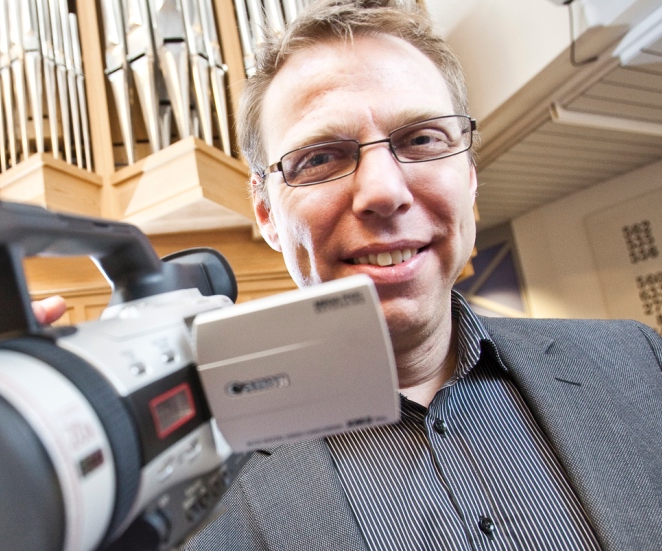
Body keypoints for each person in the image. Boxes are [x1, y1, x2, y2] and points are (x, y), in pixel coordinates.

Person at [182, 1, 662, 550]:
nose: (385, 191)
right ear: (267, 214)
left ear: (470, 175)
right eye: (319, 158)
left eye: (421, 139)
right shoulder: (190, 489)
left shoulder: (638, 362)